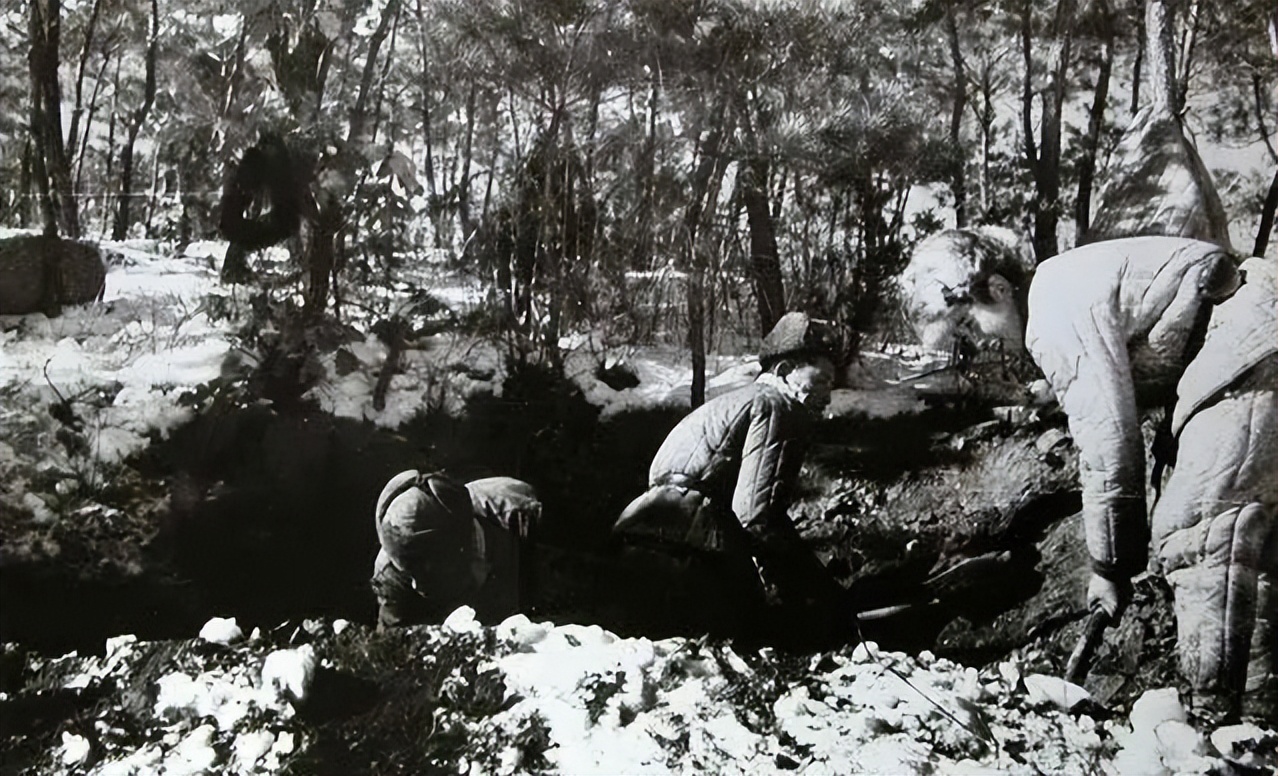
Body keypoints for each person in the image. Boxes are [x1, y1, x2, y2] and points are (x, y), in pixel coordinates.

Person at [1025, 235, 1276, 723]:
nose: (980, 338)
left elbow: (1108, 440)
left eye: (967, 319)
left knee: (1200, 536)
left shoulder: (1049, 303)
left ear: (991, 288)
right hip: (1262, 330)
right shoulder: (1075, 279)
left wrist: (1110, 567)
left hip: (1249, 343)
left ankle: (1209, 734)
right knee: (1260, 557)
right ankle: (1259, 733)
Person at [612, 311, 852, 649]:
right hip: (692, 551)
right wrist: (817, 587)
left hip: (636, 540)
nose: (827, 397)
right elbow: (756, 515)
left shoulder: (729, 403)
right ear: (784, 372)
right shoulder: (777, 405)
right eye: (822, 380)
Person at [371, 470, 541, 629]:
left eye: (428, 569)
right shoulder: (391, 572)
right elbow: (392, 646)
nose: (416, 587)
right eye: (409, 572)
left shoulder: (523, 518)